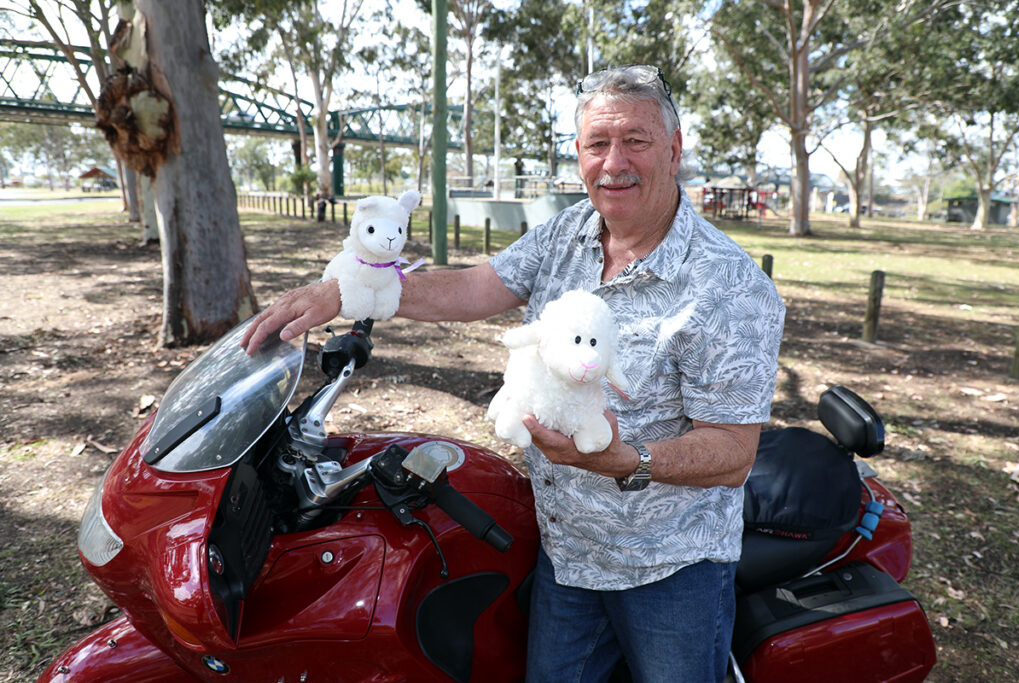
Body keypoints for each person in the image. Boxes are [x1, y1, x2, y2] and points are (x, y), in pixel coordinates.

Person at [241, 64, 785, 682]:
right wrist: (352, 291)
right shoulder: (570, 231)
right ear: (579, 154)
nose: (614, 163)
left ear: (674, 149)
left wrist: (625, 461)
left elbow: (732, 452)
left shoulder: (731, 286)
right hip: (566, 554)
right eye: (598, 144)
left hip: (671, 570)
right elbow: (478, 286)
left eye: (635, 140)